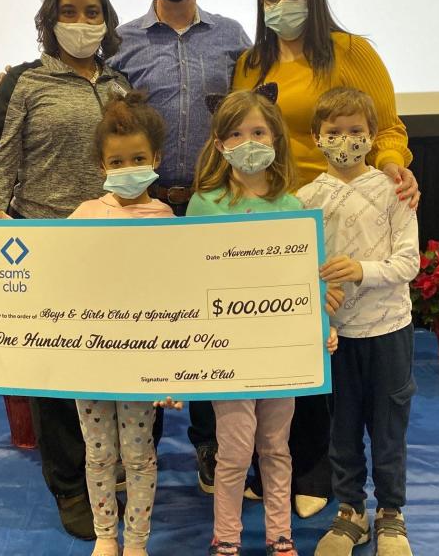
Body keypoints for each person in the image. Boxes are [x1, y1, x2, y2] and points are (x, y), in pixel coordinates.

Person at [232, 0, 420, 517]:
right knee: (280, 340)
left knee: (324, 341)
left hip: (346, 219)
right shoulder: (250, 62)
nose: (281, 5)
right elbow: (242, 128)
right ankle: (273, 465)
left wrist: (391, 166)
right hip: (276, 216)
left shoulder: (350, 51)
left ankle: (316, 474)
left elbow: (386, 124)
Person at [0, 0, 131, 540]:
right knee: (58, 371)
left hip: (112, 243)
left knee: (114, 356)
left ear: (107, 19)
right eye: (70, 11)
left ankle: (112, 470)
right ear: (49, 19)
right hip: (45, 241)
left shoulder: (120, 86)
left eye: (93, 11)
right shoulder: (26, 83)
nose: (82, 23)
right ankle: (71, 485)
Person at [108, 0, 251, 496]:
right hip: (144, 209)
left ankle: (208, 445)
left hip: (215, 206)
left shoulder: (234, 36)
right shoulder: (120, 42)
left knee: (210, 328)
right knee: (146, 327)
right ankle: (135, 450)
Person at [297, 87, 419, 556]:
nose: (344, 140)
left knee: (388, 424)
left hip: (389, 330)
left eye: (355, 131)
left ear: (371, 136)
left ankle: (391, 513)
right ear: (316, 138)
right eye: (333, 132)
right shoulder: (306, 199)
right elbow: (299, 266)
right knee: (341, 427)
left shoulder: (395, 189)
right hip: (336, 336)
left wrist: (363, 271)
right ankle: (350, 511)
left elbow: (409, 262)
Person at [186, 87, 301, 556]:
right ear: (219, 144)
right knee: (232, 452)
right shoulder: (203, 204)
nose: (247, 141)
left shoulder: (293, 207)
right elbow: (189, 282)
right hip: (226, 352)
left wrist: (320, 328)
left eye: (257, 132)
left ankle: (280, 536)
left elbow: (303, 283)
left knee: (276, 447)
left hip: (278, 352)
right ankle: (227, 539)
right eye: (235, 134)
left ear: (275, 137)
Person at [69, 90, 174, 556]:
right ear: (100, 166)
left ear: (156, 158)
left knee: (137, 454)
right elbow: (53, 272)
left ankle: (137, 541)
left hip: (141, 362)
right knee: (98, 453)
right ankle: (105, 536)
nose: (128, 167)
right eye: (117, 161)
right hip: (91, 359)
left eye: (137, 158)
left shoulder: (169, 219)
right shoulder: (84, 215)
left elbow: (178, 295)